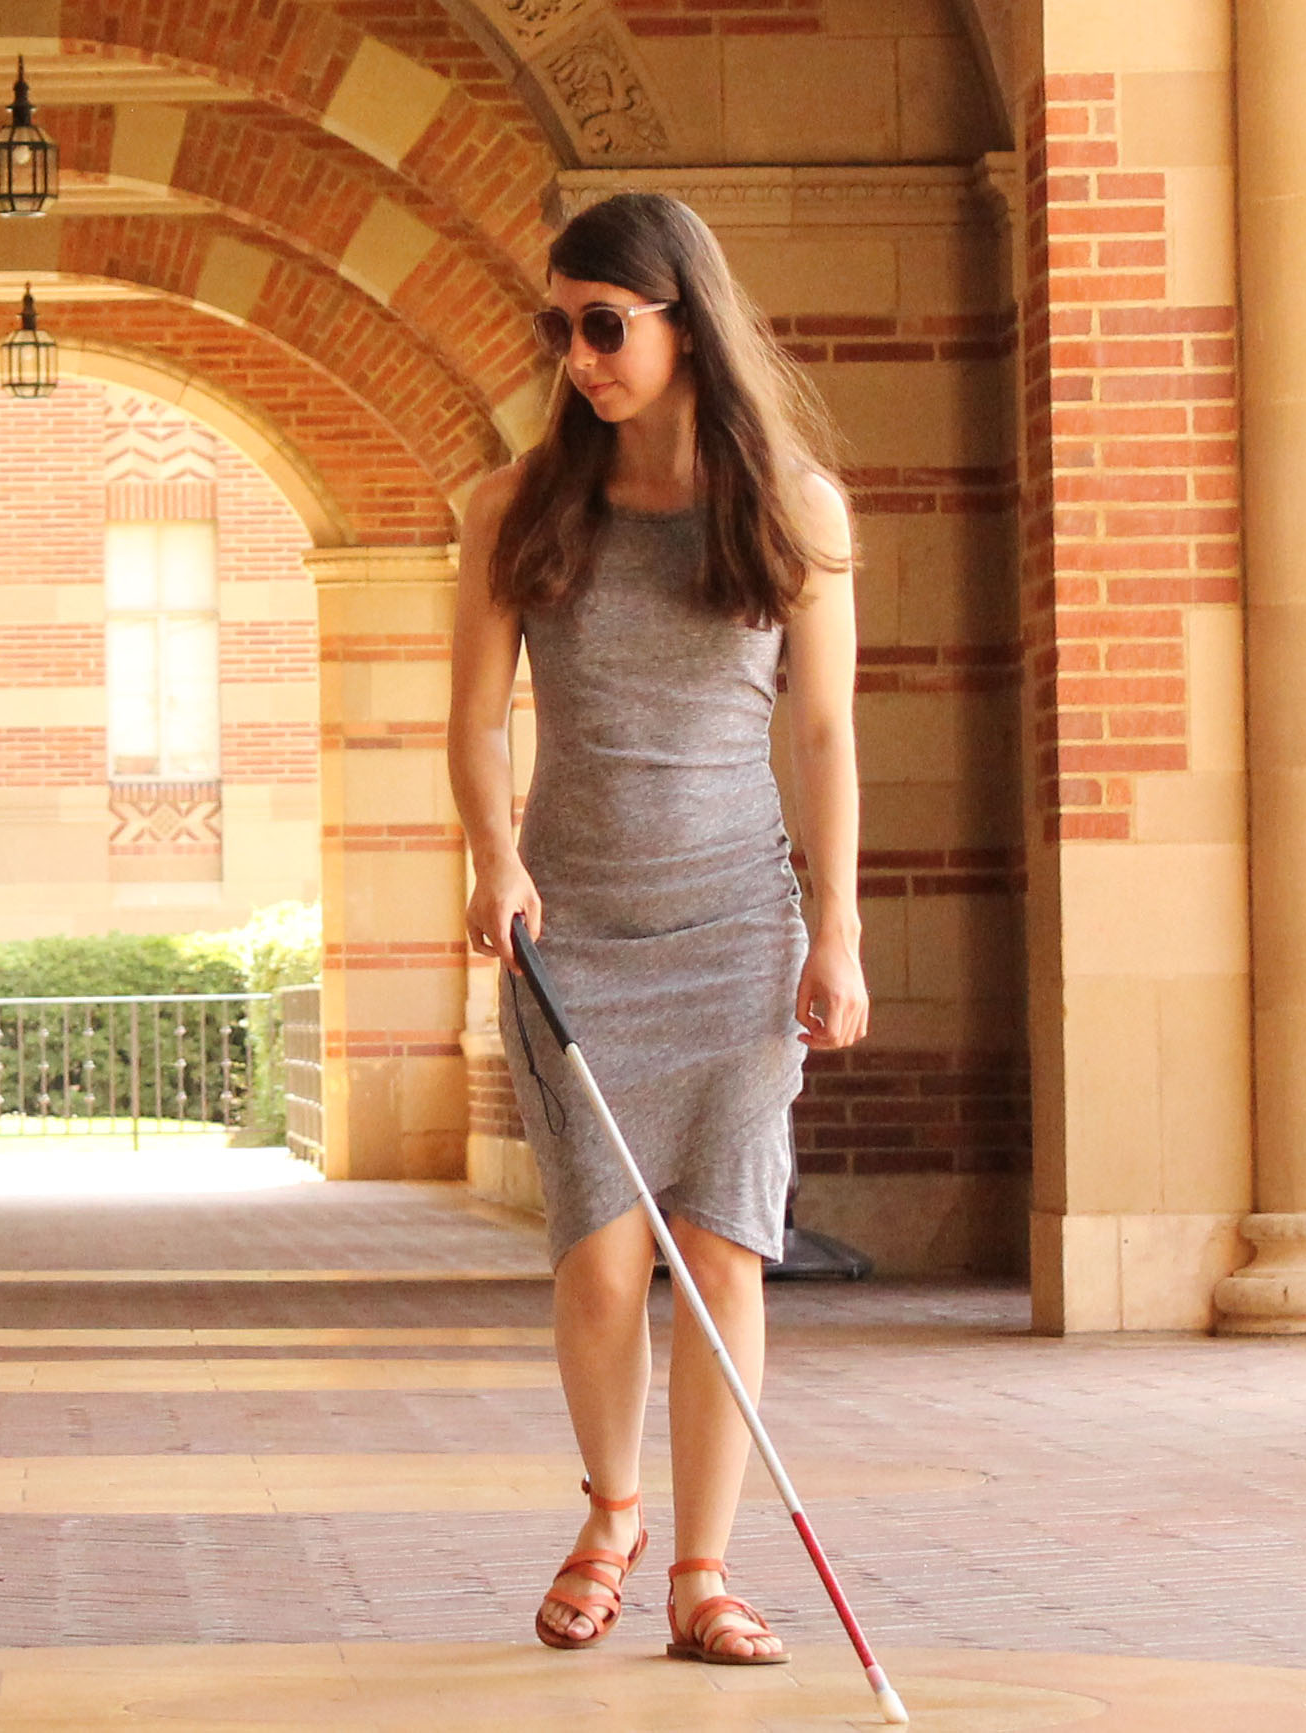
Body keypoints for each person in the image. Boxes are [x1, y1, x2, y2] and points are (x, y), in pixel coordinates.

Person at [451, 191, 867, 1666]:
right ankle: (612, 1509)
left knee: (722, 1253)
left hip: (739, 927)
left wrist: (839, 931)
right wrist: (495, 861)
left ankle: (702, 1572)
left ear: (685, 317)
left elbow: (822, 736)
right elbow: (476, 726)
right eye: (556, 328)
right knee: (602, 1258)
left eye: (605, 325)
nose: (578, 355)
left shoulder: (795, 508)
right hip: (575, 937)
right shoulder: (519, 506)